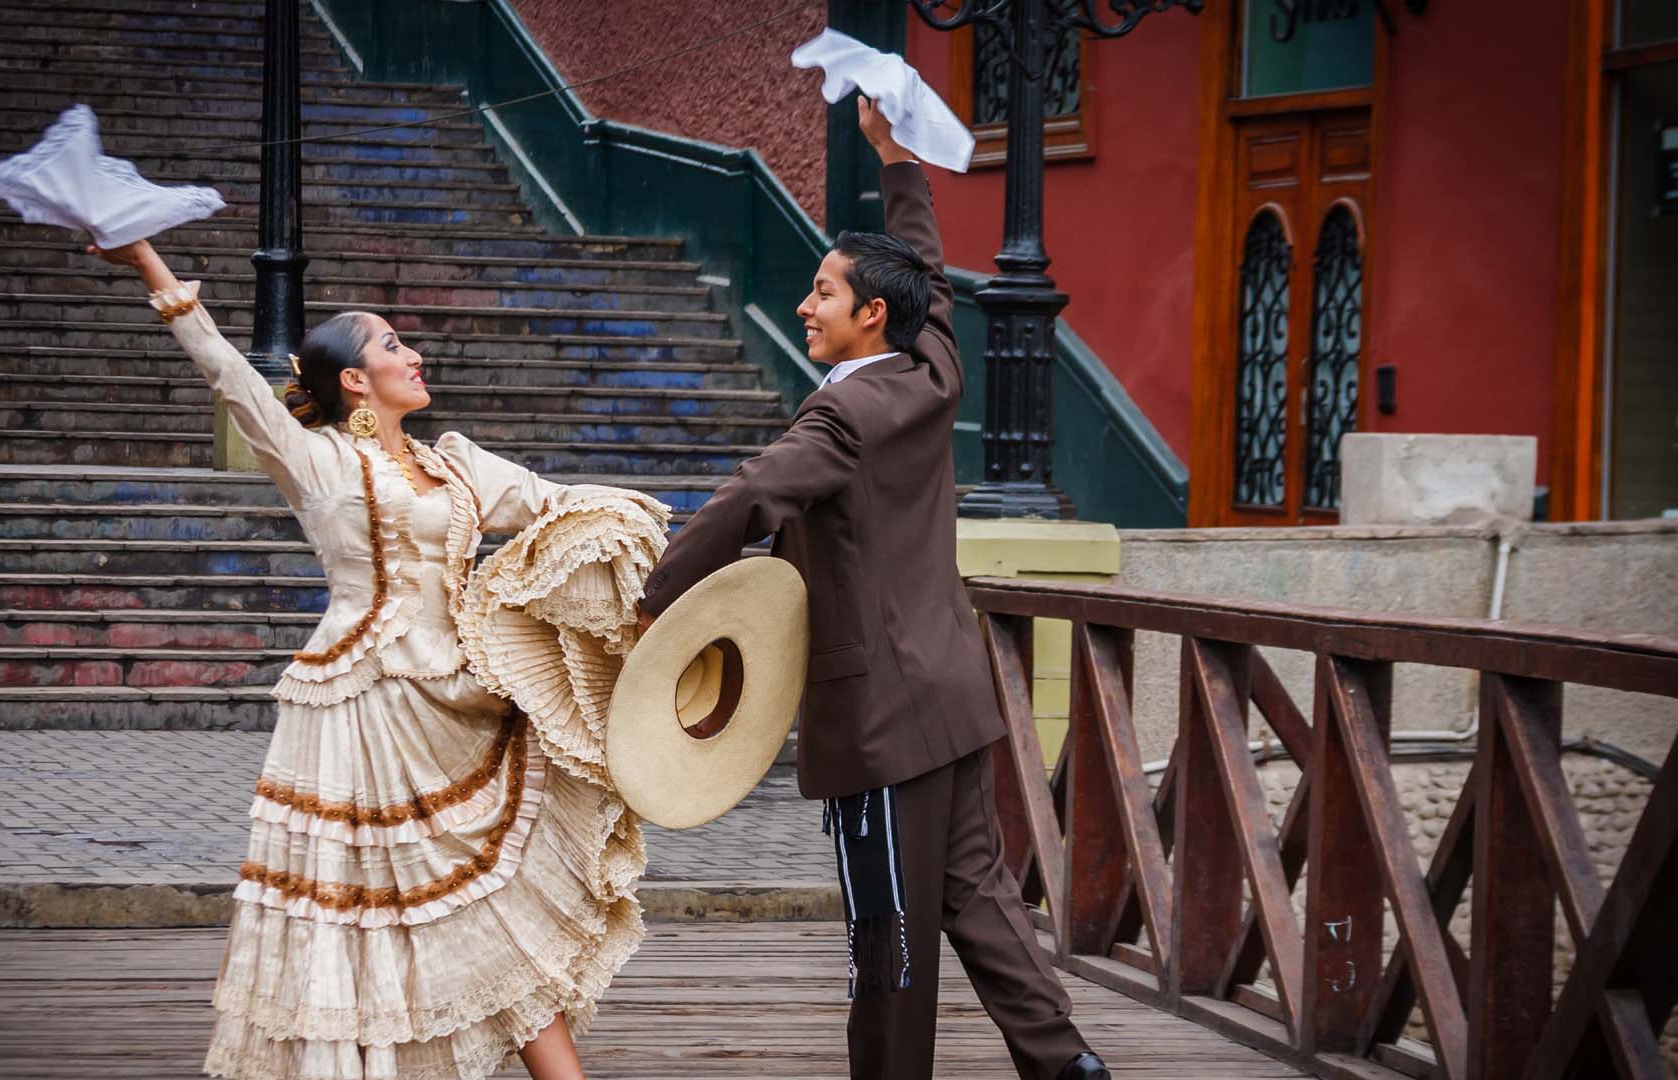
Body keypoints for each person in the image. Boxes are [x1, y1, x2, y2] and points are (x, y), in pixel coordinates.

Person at [88, 238, 645, 1080]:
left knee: (492, 907)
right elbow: (233, 382)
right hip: (362, 711)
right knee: (361, 919)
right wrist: (151, 268)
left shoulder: (453, 465)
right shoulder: (320, 464)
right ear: (354, 380)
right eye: (391, 345)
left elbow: (555, 505)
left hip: (461, 704)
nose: (413, 353)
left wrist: (664, 555)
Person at [634, 98, 1110, 1080]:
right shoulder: (931, 372)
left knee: (888, 934)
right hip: (952, 696)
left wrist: (656, 596)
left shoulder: (838, 421)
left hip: (881, 722)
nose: (806, 306)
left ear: (868, 317)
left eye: (822, 293)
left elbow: (754, 494)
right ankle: (1066, 1064)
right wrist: (898, 165)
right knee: (976, 895)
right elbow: (930, 278)